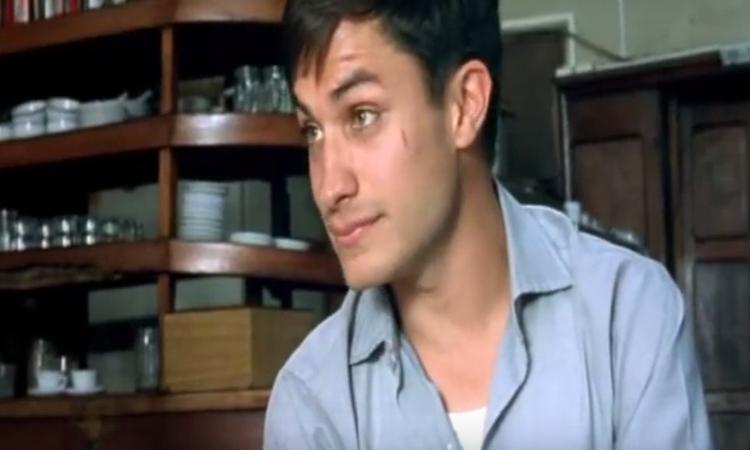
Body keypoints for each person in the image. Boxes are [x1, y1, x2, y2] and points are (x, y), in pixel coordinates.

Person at [264, 0, 713, 449]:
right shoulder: (311, 401)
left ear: (464, 104)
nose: (329, 187)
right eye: (312, 131)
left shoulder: (626, 317)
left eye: (362, 116)